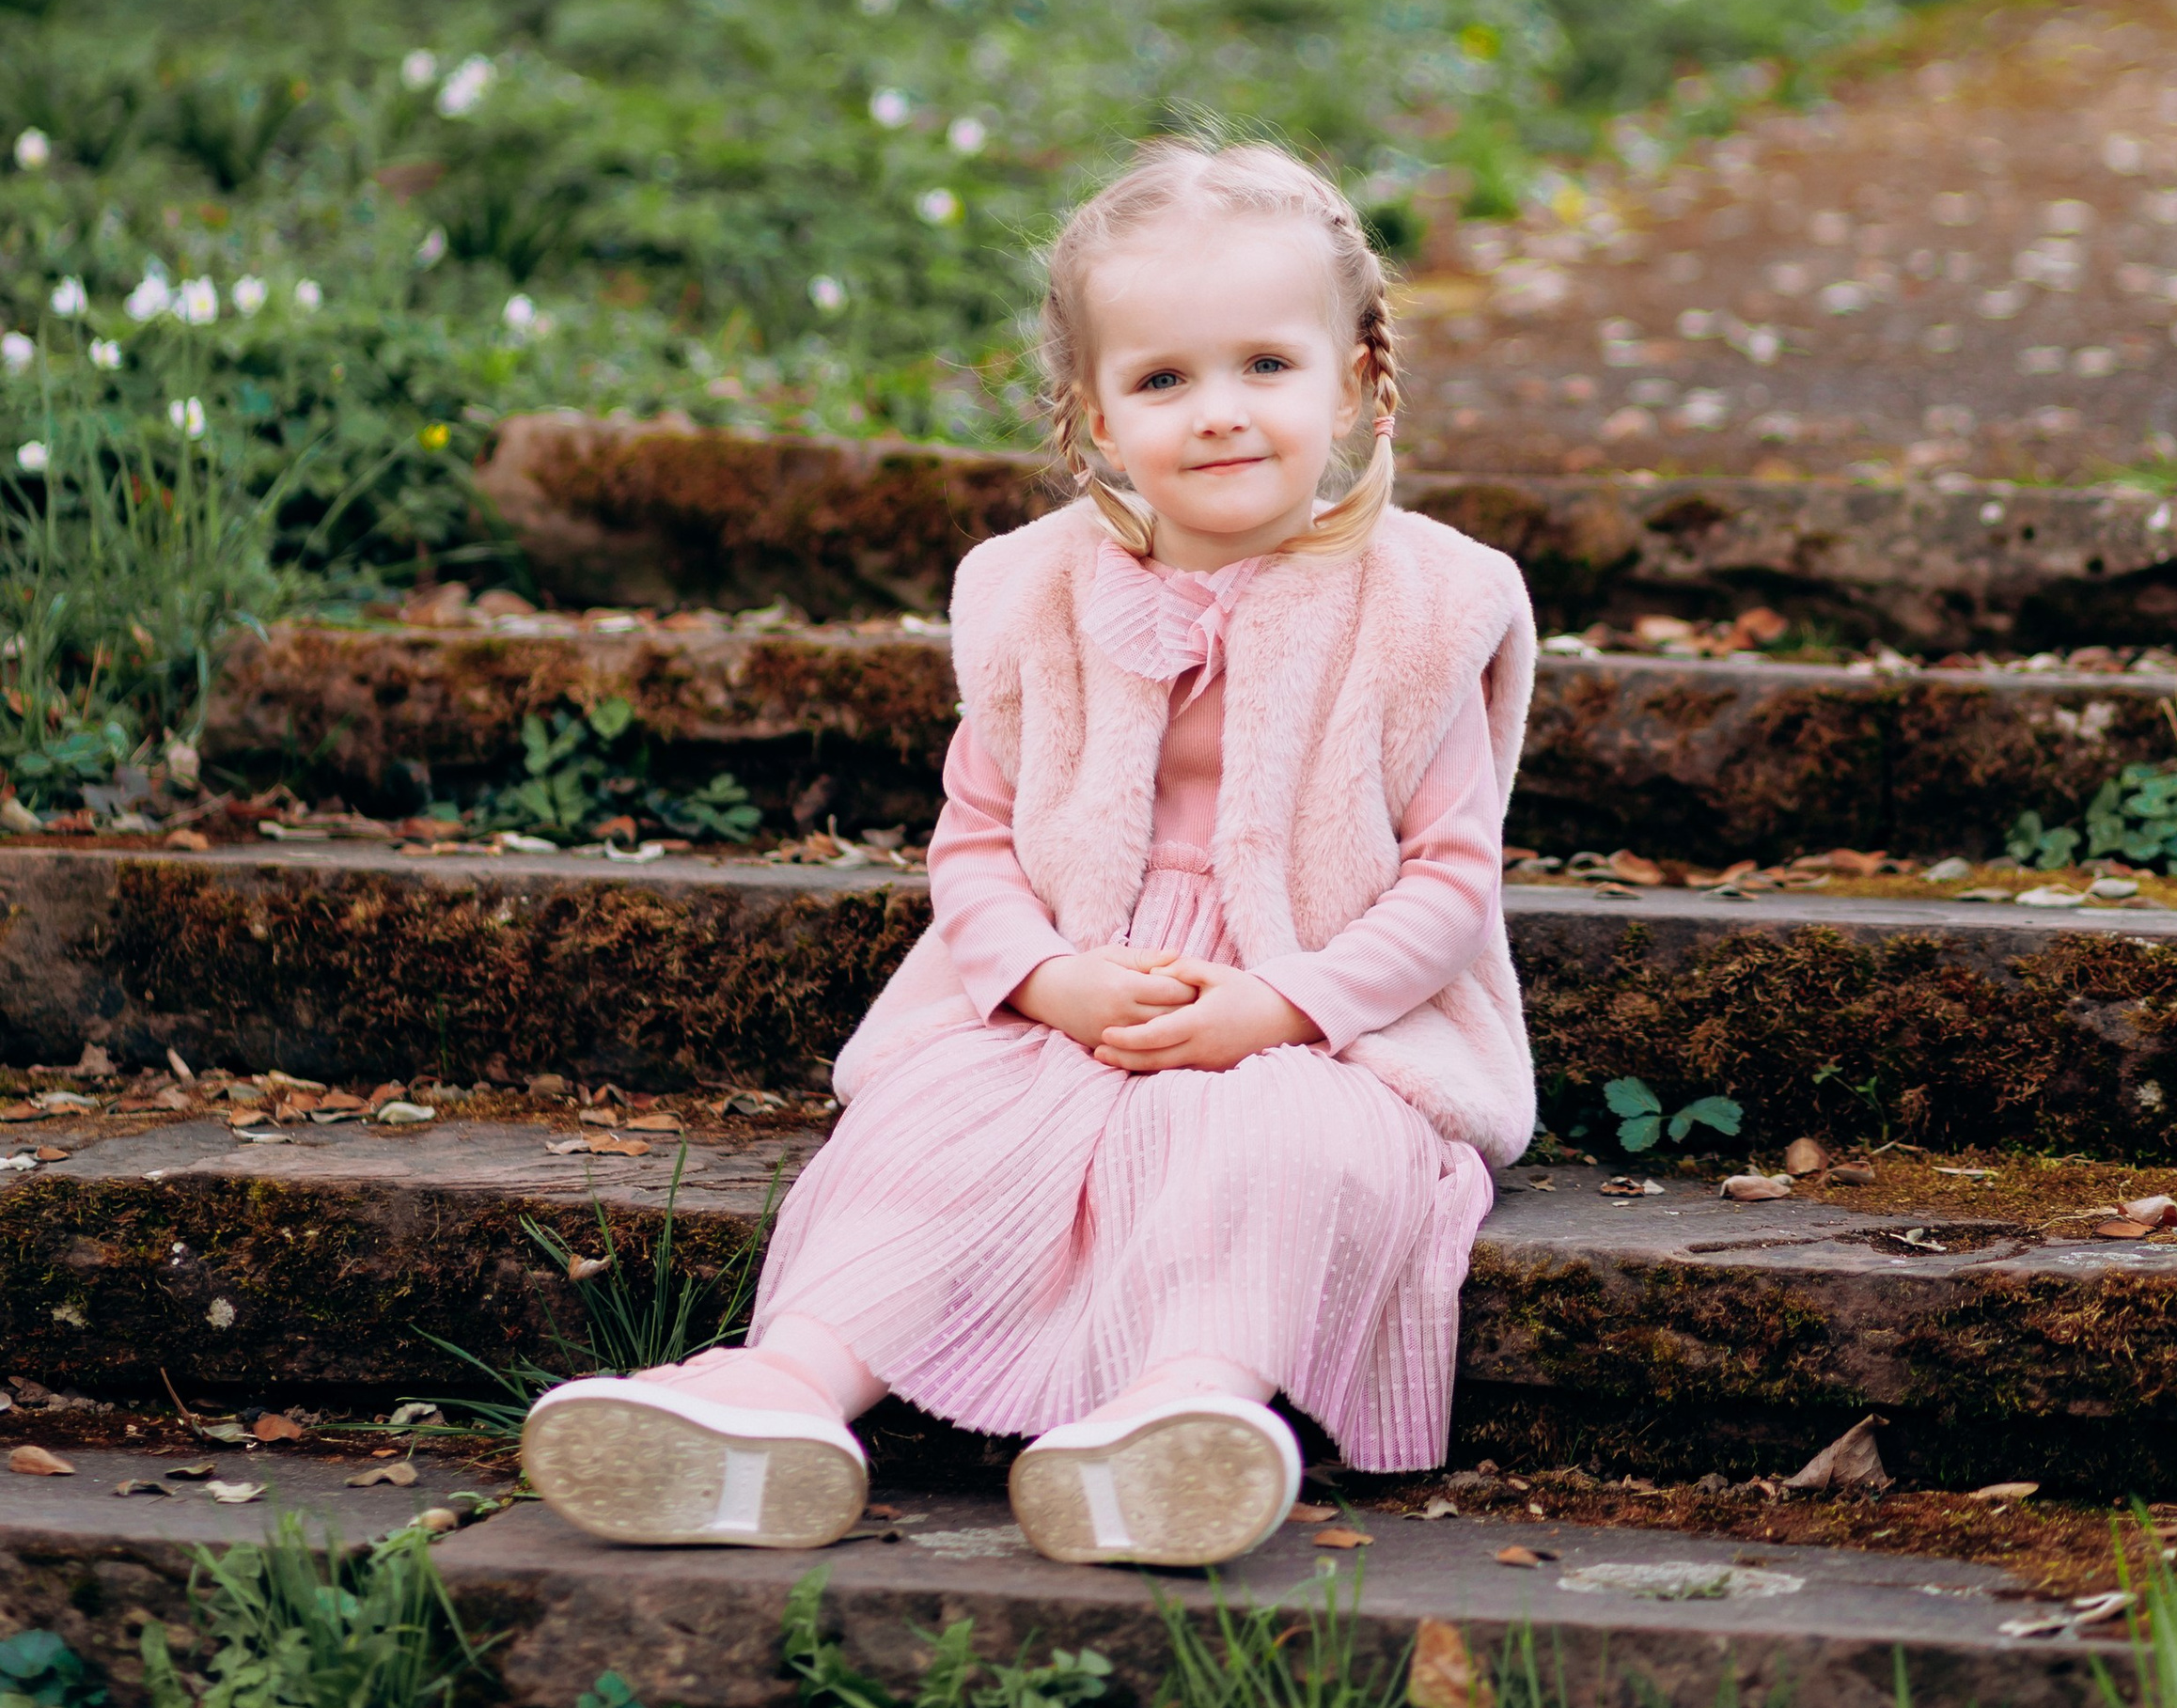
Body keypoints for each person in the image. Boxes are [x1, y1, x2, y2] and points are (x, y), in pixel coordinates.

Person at [523, 138, 1537, 1569]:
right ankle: (779, 1393)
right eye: (1164, 378)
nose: (1221, 412)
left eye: (1266, 364)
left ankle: (1185, 1413)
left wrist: (1283, 1006)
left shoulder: (1416, 605)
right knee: (933, 1132)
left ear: (1358, 378)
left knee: (1287, 1145)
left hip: (1318, 1011)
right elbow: (978, 844)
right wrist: (1049, 981)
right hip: (1072, 992)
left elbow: (1449, 882)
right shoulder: (1034, 594)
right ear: (1095, 415)